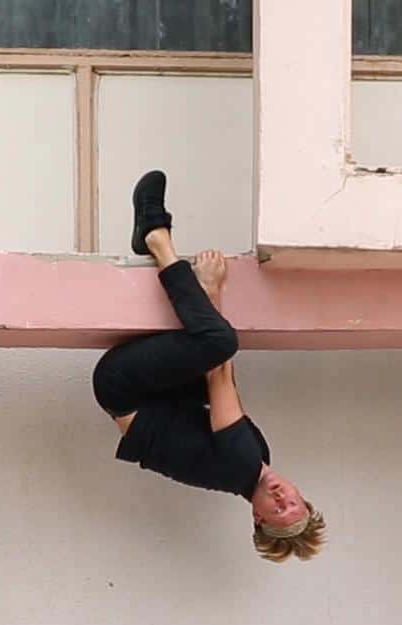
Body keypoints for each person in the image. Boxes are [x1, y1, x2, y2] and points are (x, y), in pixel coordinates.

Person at [91, 170, 326, 562]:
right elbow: (221, 381)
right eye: (294, 503)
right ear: (300, 493)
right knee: (217, 355)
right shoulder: (253, 460)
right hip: (147, 395)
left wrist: (212, 289)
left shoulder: (242, 463)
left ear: (257, 517)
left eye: (278, 512)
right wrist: (210, 298)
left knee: (221, 342)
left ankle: (155, 235)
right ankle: (171, 261)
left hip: (123, 387)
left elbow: (219, 369)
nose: (283, 499)